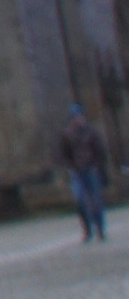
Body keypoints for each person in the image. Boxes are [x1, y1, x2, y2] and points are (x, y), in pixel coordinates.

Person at [58, 102, 109, 242]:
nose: (77, 119)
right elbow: (64, 153)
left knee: (95, 200)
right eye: (74, 117)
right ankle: (87, 230)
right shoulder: (67, 134)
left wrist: (97, 166)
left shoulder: (91, 132)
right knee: (79, 200)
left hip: (90, 169)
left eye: (78, 116)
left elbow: (99, 150)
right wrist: (71, 167)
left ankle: (100, 228)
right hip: (76, 171)